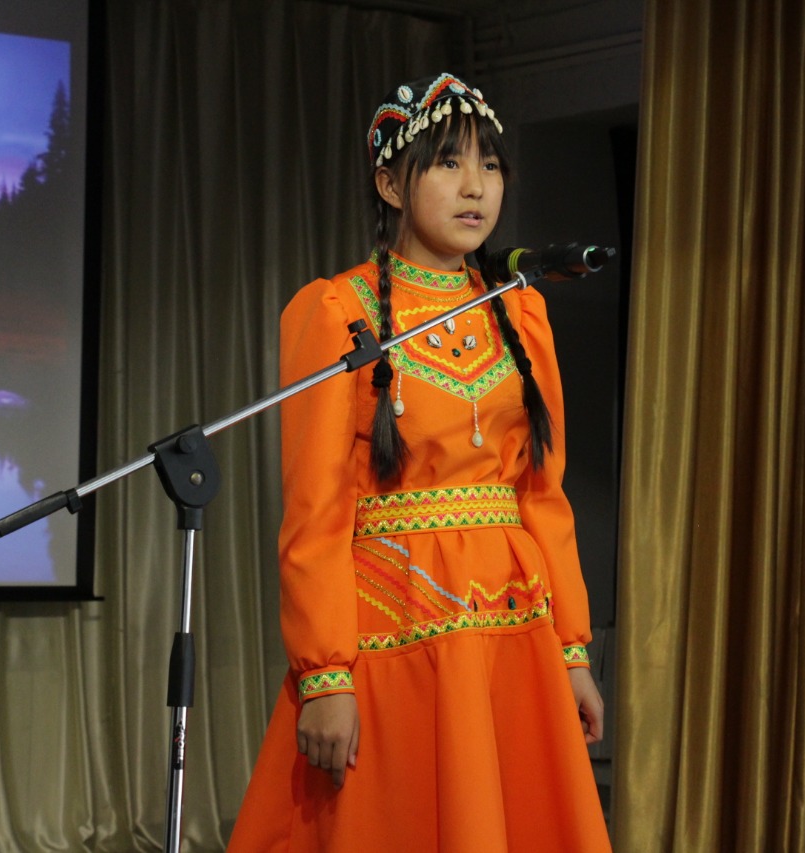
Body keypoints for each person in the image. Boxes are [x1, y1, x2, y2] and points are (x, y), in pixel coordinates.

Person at [228, 72, 612, 852]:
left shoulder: (520, 311)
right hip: (394, 627)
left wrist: (572, 651)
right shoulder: (339, 311)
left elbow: (543, 495)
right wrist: (325, 675)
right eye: (448, 163)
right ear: (389, 184)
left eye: (490, 165)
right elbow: (316, 509)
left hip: (513, 628)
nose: (476, 186)